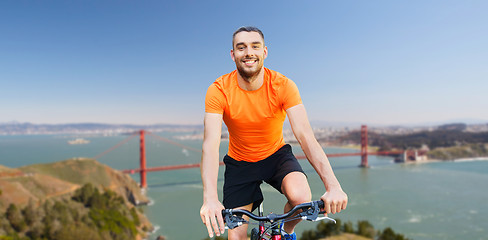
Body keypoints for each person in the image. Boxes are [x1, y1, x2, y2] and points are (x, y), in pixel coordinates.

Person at [200, 26, 348, 240]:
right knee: (236, 238)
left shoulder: (283, 86)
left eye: (255, 46)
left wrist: (333, 186)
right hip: (239, 163)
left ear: (264, 52)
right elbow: (210, 145)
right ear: (233, 55)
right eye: (241, 48)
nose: (248, 52)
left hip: (276, 155)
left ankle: (286, 231)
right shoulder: (218, 89)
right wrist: (210, 198)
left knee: (301, 198)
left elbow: (305, 136)